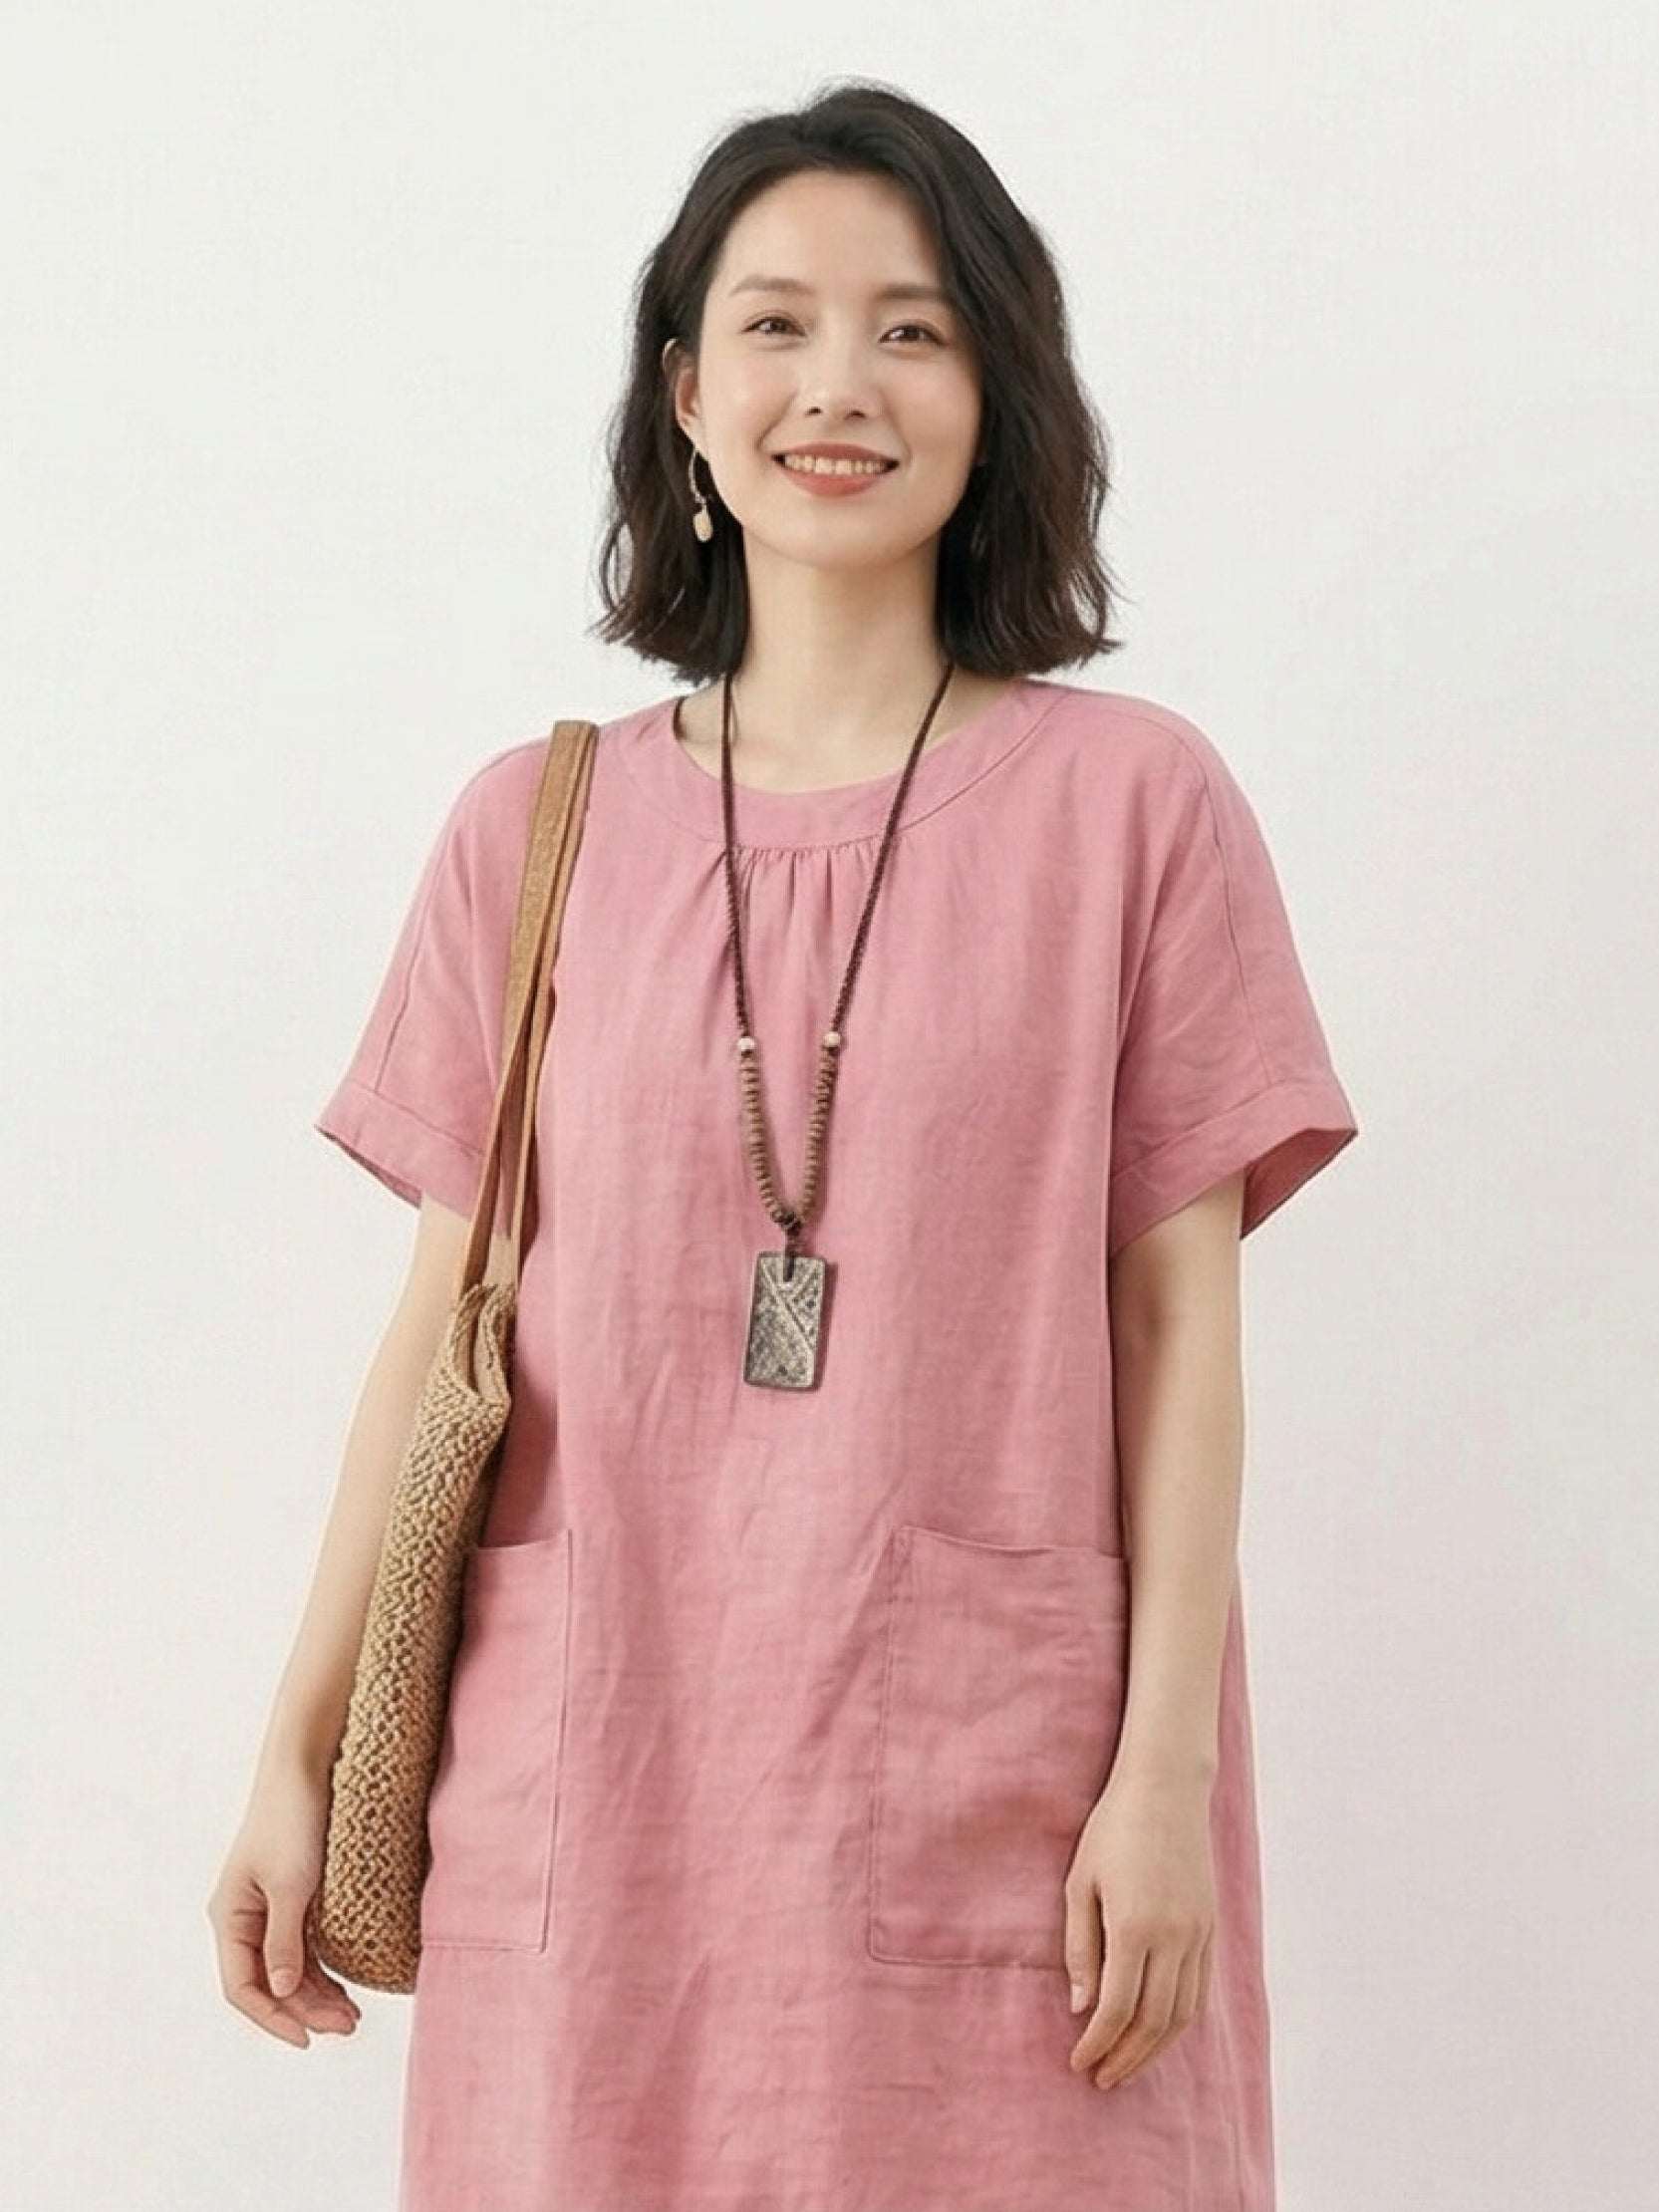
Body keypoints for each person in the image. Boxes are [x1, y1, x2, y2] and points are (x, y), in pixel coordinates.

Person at [208, 79, 1358, 2212]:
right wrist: (292, 1744)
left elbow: (1174, 1326)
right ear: (681, 394)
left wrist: (1163, 1782)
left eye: (913, 330)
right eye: (775, 324)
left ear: (997, 397)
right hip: (594, 1796)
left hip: (1009, 1815)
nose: (840, 384)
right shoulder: (529, 830)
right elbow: (438, 1334)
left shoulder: (1133, 810)